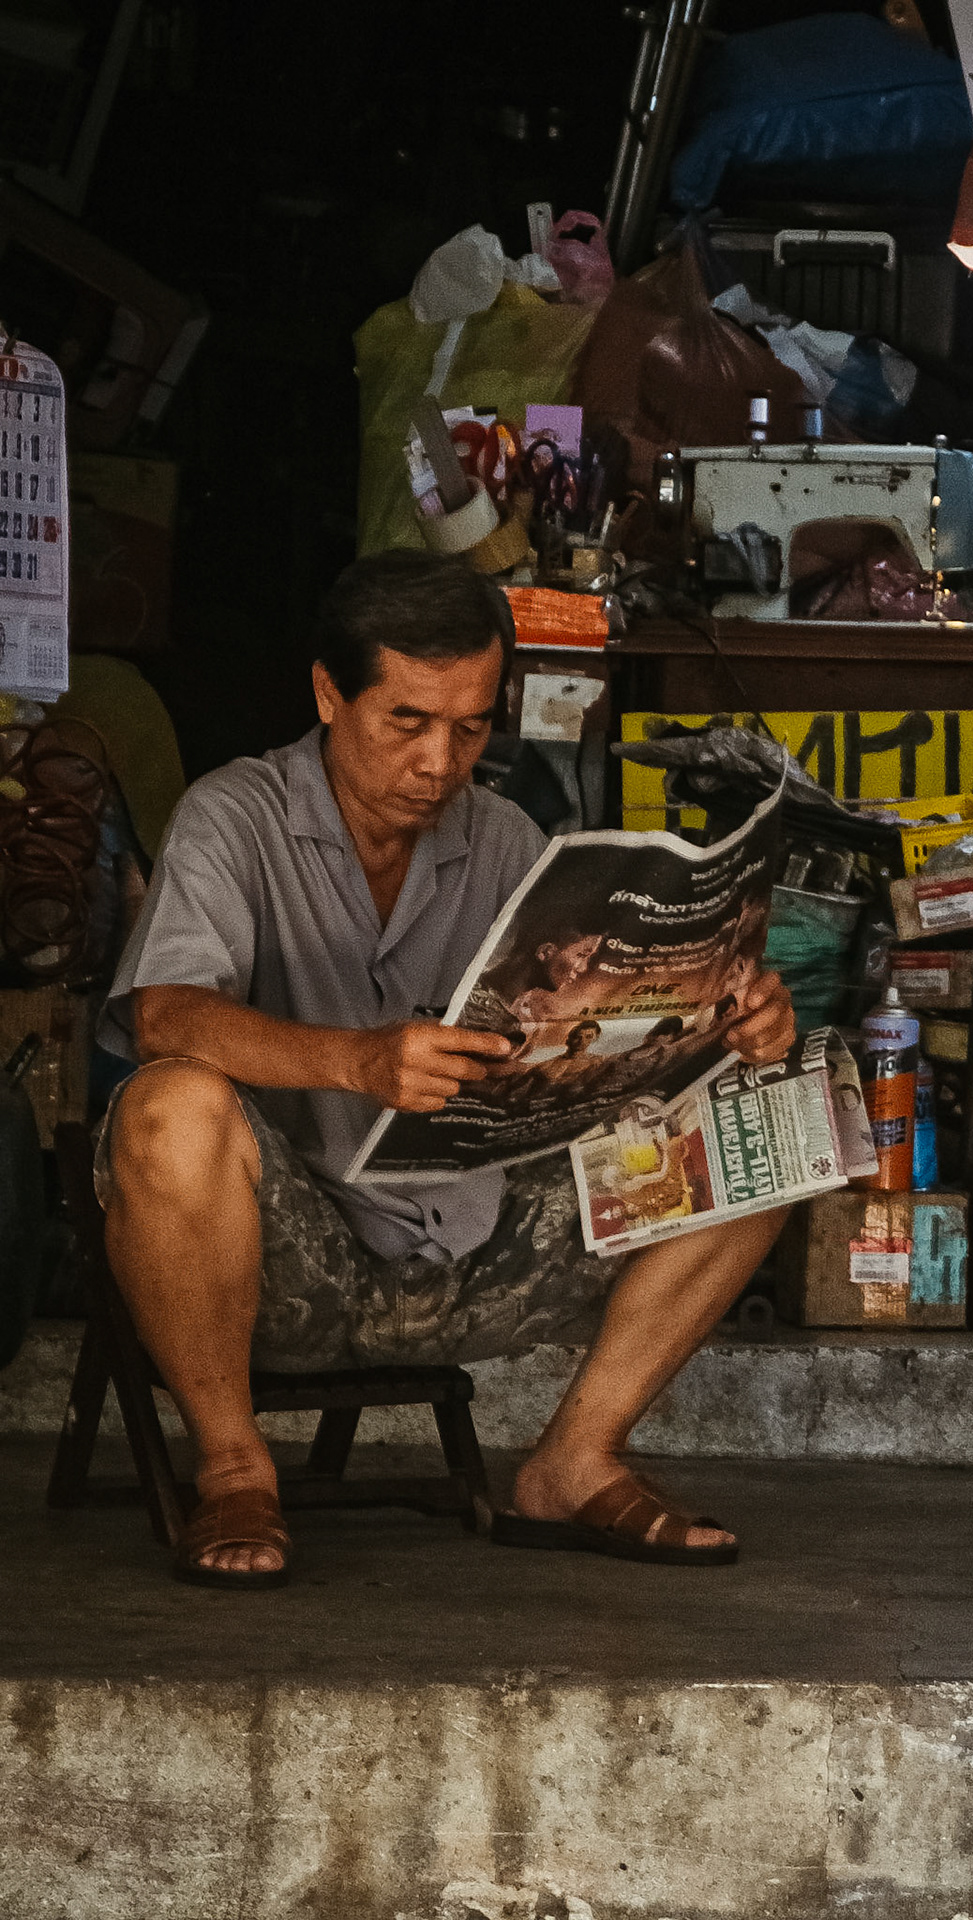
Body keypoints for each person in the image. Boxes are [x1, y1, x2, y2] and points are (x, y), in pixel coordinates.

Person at [98, 550, 795, 1590]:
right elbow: (162, 1015)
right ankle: (234, 1468)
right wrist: (357, 1063)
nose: (441, 760)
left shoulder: (509, 838)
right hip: (287, 1261)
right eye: (408, 723)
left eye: (471, 727)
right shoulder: (232, 816)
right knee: (167, 1109)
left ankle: (573, 1460)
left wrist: (726, 1017)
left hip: (478, 1247)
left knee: (768, 1127)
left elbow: (587, 1031)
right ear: (330, 694)